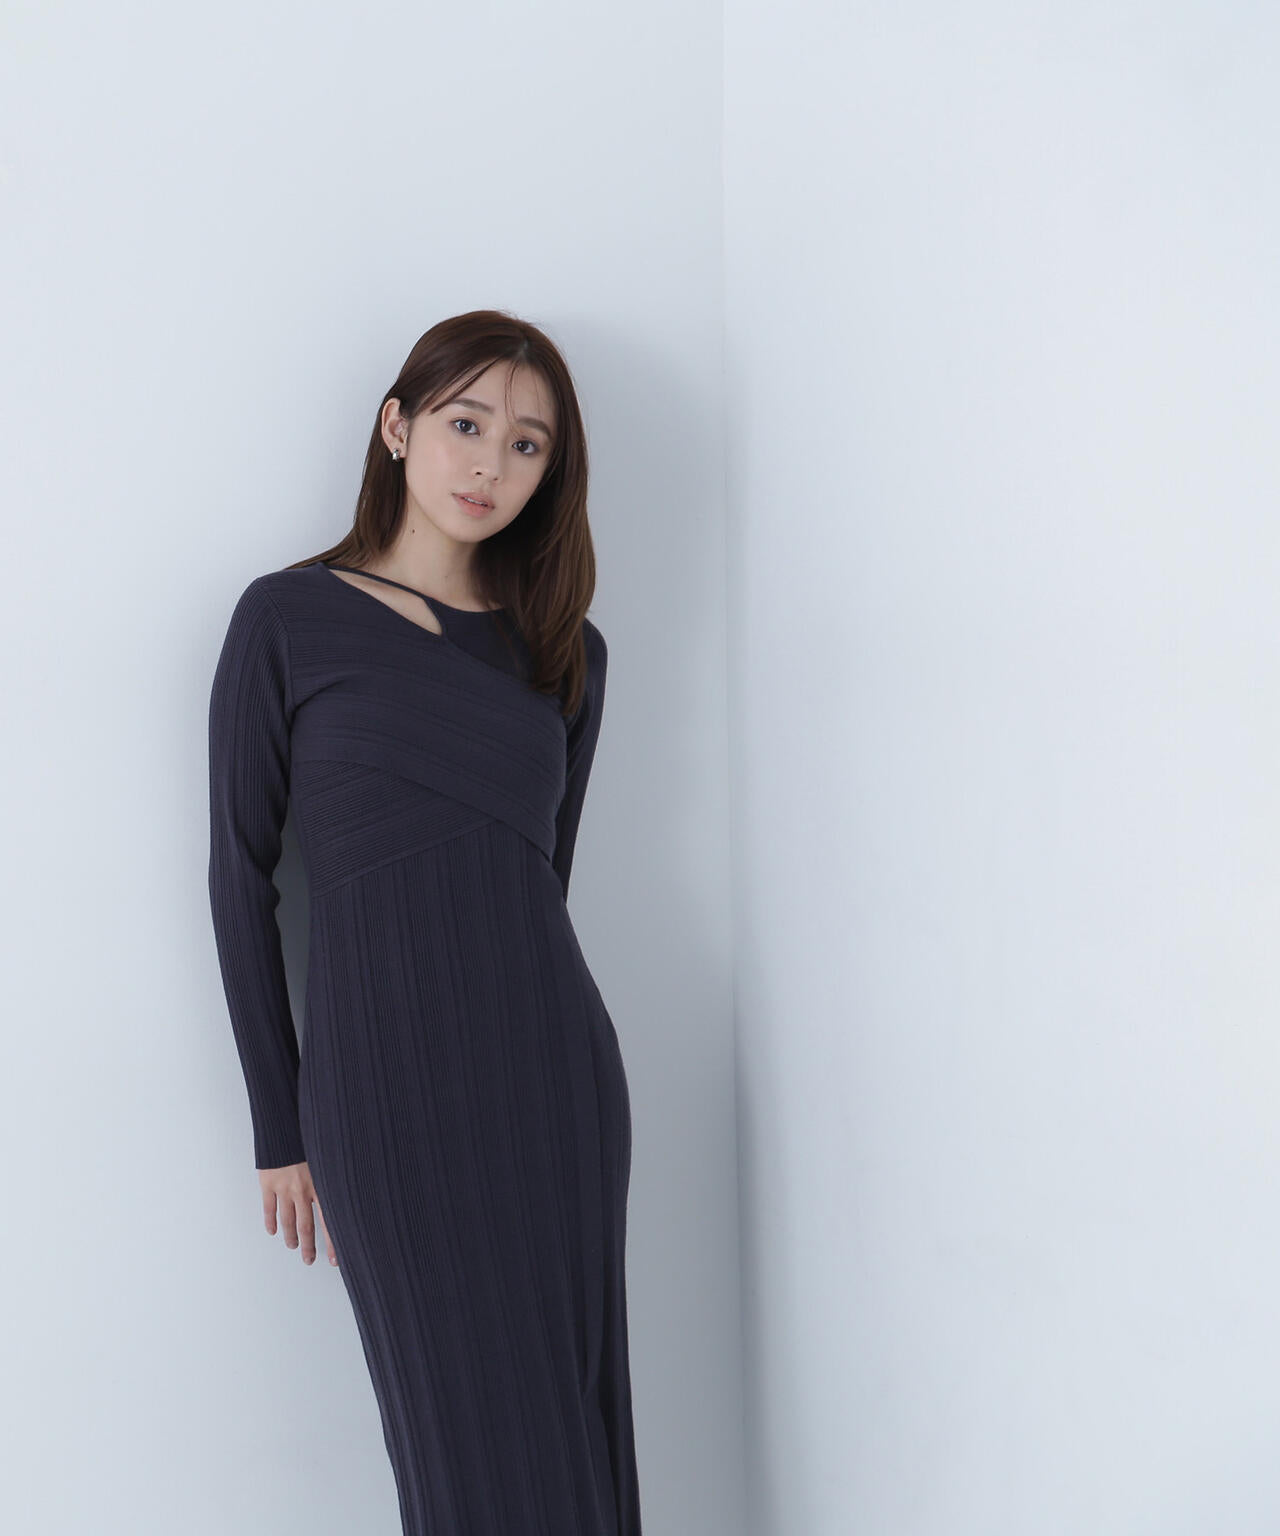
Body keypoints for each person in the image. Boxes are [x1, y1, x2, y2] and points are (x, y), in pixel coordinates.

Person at [206, 310, 641, 1535]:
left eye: (526, 445)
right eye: (465, 424)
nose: (489, 464)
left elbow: (539, 884)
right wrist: (280, 1127)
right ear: (396, 428)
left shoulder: (567, 654)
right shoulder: (286, 620)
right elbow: (239, 878)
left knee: (568, 1442)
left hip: (552, 1089)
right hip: (384, 1098)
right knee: (461, 1461)